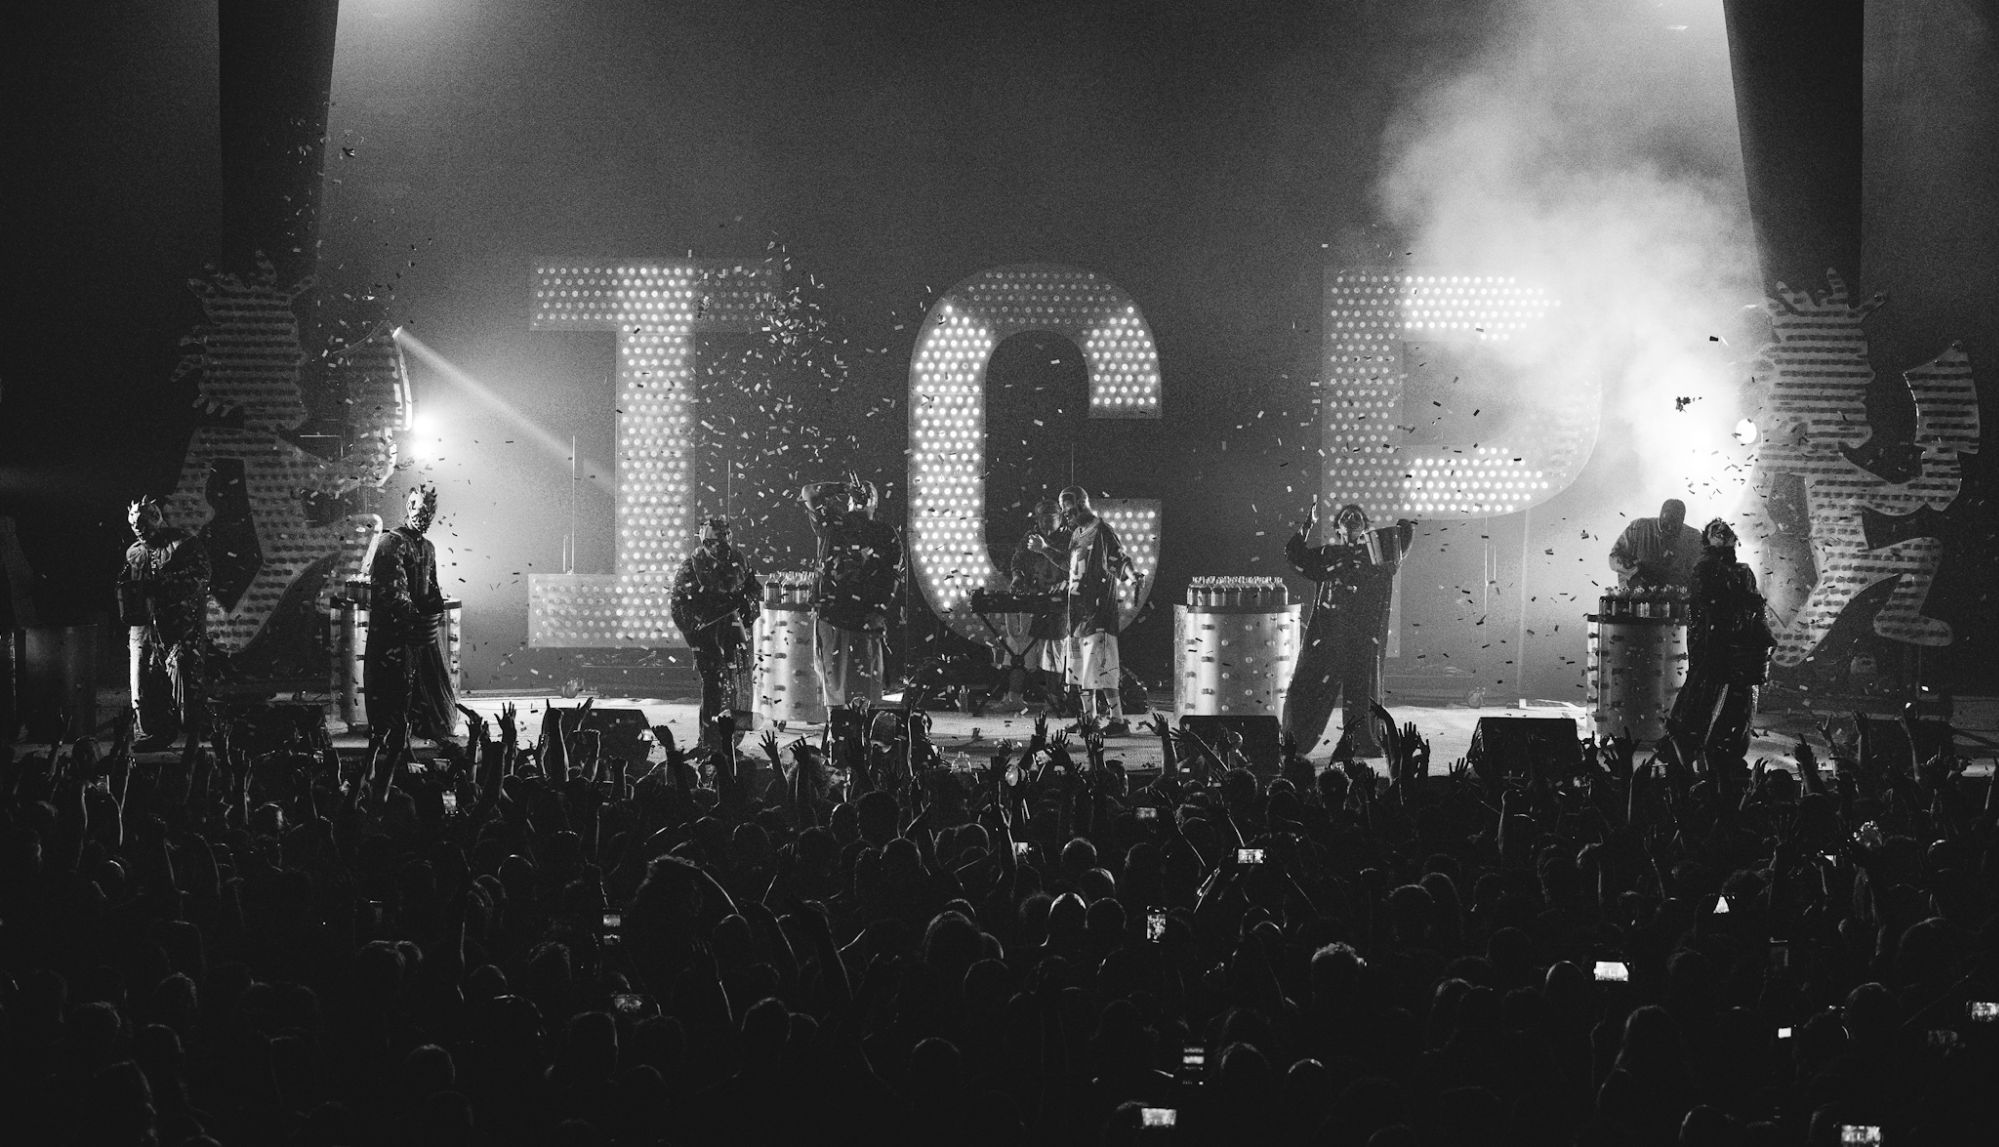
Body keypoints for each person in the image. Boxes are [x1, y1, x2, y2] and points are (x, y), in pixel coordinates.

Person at [1282, 501, 1413, 757]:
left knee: (1362, 691)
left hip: (1362, 634)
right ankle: (1296, 740)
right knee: (1311, 684)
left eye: (1357, 516)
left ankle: (1363, 741)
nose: (1352, 518)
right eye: (1346, 516)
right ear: (1339, 527)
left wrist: (1402, 525)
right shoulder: (1328, 556)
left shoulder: (1376, 555)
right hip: (1330, 634)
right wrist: (1307, 525)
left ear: (1364, 526)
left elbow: (1404, 538)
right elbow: (1296, 557)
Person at [362, 483, 454, 790]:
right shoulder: (392, 542)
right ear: (408, 507)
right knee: (392, 695)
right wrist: (416, 619)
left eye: (430, 511)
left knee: (413, 696)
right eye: (419, 508)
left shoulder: (428, 547)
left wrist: (434, 611)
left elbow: (433, 587)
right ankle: (382, 761)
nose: (424, 515)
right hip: (392, 636)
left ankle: (400, 754)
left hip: (416, 636)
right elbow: (392, 592)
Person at [1027, 486, 1135, 734]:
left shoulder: (1102, 531)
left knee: (1103, 667)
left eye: (1071, 508)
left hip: (1099, 614)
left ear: (1083, 504)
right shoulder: (1077, 533)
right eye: (1064, 510)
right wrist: (1044, 548)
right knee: (1080, 669)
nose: (1067, 514)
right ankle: (1090, 718)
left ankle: (1118, 720)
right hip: (1077, 613)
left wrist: (1132, 574)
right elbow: (1068, 563)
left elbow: (1120, 558)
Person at [1668, 518, 1770, 764]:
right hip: (1712, 644)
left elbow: (1756, 605)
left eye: (1727, 529)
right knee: (1703, 695)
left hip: (1740, 647)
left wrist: (1760, 633)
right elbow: (1703, 607)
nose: (1723, 531)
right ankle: (1689, 750)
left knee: (1738, 699)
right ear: (1708, 539)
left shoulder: (1743, 571)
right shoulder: (1704, 567)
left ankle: (1727, 750)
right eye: (1716, 530)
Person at [116, 496, 211, 755]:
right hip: (143, 627)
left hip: (178, 625)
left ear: (156, 519)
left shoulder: (184, 544)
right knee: (141, 680)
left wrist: (161, 586)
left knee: (184, 680)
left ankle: (192, 732)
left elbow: (200, 577)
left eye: (143, 523)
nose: (139, 529)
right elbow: (129, 585)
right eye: (135, 524)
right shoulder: (135, 553)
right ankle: (152, 732)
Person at [801, 476, 902, 709]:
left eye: (868, 494)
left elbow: (894, 574)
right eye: (858, 493)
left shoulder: (883, 532)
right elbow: (808, 491)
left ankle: (864, 734)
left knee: (867, 688)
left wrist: (880, 610)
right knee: (834, 686)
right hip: (832, 616)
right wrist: (842, 487)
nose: (862, 496)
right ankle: (836, 730)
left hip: (865, 620)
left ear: (875, 503)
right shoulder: (831, 524)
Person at [670, 517, 761, 749]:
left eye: (724, 541)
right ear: (706, 542)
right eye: (715, 542)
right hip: (707, 636)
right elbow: (679, 605)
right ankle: (710, 743)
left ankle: (731, 742)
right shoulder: (691, 566)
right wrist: (694, 630)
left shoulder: (738, 560)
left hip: (734, 632)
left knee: (738, 688)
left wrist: (746, 605)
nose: (720, 547)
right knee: (715, 686)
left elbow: (752, 587)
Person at [1608, 498, 1702, 590]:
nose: (1669, 528)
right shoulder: (1638, 528)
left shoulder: (1694, 538)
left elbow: (1702, 569)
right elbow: (1615, 556)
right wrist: (1633, 573)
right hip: (1637, 594)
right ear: (1660, 516)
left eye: (1674, 525)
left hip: (1674, 596)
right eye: (1665, 523)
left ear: (1682, 521)